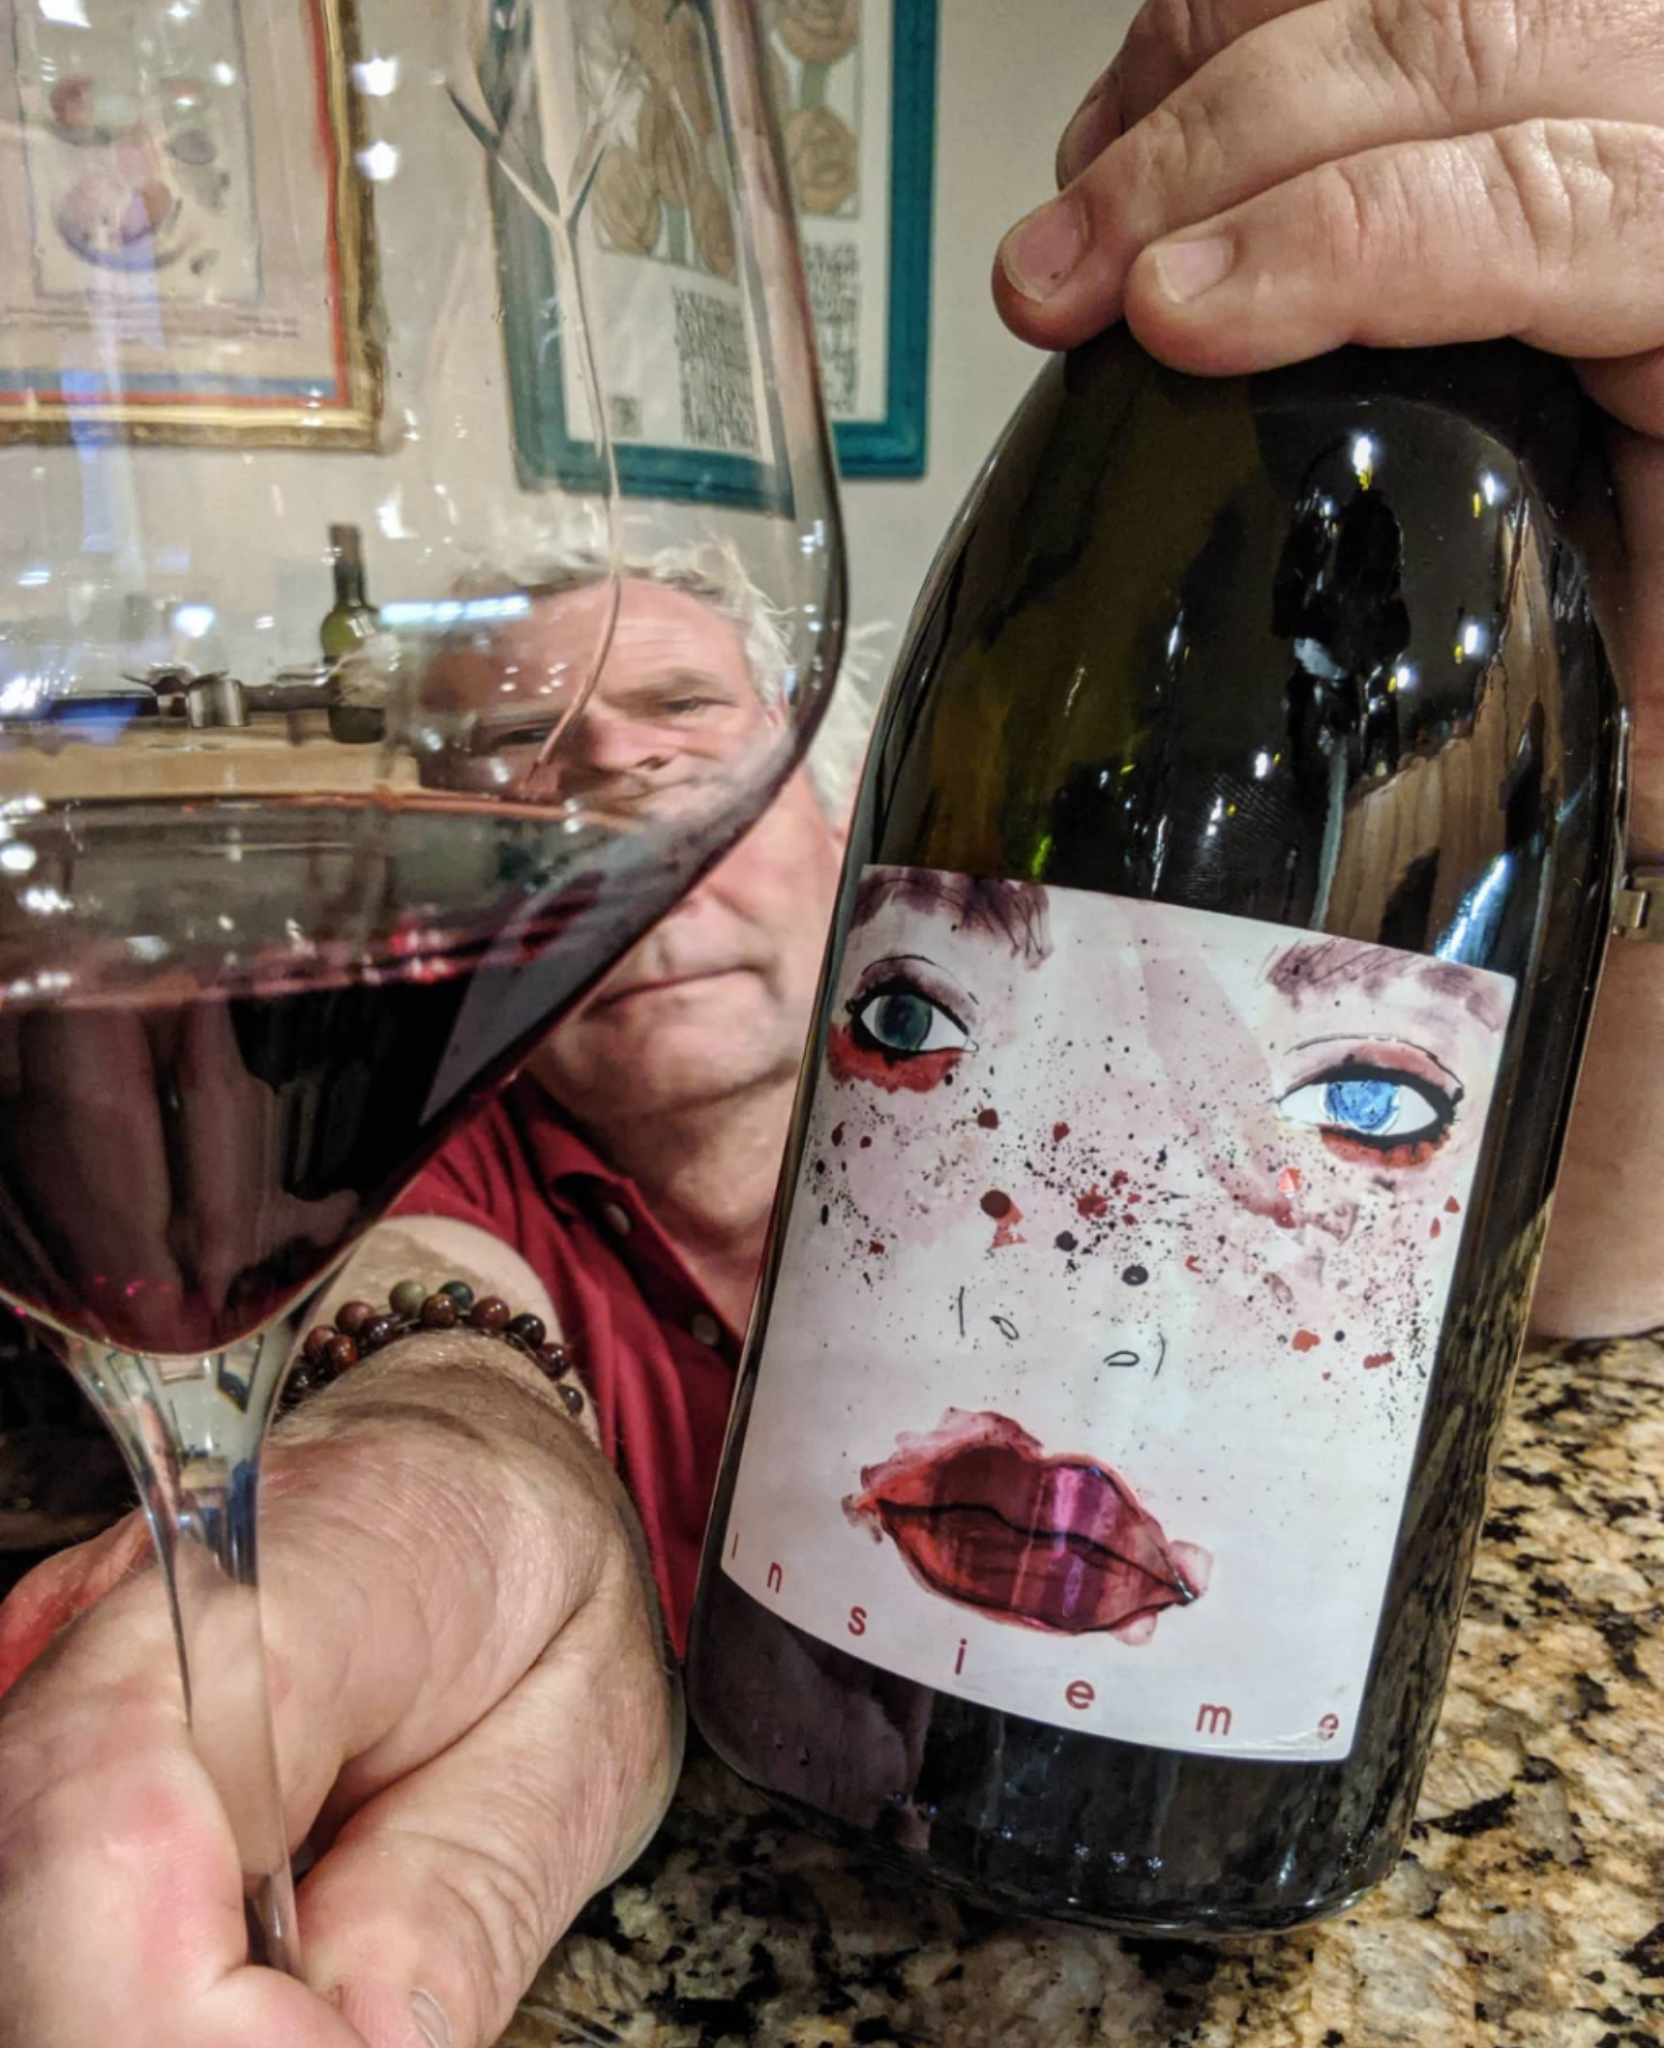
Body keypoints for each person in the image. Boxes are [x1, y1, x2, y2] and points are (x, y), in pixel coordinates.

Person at [3, 3, 1662, 2040]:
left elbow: (1564, 1256)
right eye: (524, 768)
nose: (618, 783)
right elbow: (427, 1315)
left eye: (681, 722)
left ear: (830, 796)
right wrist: (451, 1472)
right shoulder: (451, 1151)